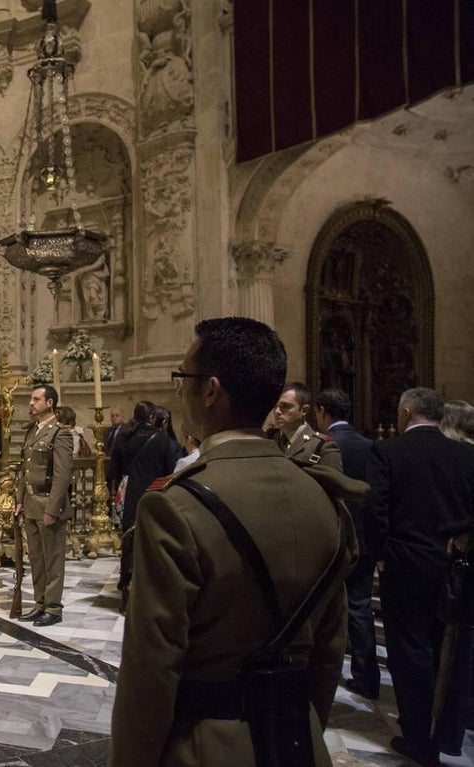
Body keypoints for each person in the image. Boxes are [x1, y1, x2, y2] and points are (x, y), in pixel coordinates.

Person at [110, 317, 358, 767]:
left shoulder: (176, 507)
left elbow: (151, 671)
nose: (178, 392)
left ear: (210, 390)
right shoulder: (324, 497)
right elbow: (329, 651)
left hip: (207, 746)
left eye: (182, 378)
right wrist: (302, 728)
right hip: (297, 740)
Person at [367, 387, 474, 765]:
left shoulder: (388, 452)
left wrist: (378, 557)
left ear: (407, 412)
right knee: (449, 655)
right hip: (455, 569)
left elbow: (376, 512)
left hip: (405, 567)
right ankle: (444, 733)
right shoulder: (466, 454)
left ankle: (417, 736)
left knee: (409, 652)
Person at [313, 388, 379, 700]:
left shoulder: (322, 445)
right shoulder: (370, 445)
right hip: (364, 536)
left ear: (322, 410)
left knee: (327, 607)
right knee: (360, 606)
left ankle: (327, 669)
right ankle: (367, 675)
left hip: (333, 536)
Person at [13, 385, 73, 627]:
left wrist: (52, 508)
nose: (31, 403)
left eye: (36, 399)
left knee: (53, 558)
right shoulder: (33, 431)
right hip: (30, 503)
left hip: (48, 502)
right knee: (37, 558)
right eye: (31, 399)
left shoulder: (60, 433)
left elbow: (62, 475)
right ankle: (40, 603)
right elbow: (24, 470)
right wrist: (18, 500)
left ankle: (54, 607)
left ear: (50, 403)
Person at [110, 400, 179, 599]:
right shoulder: (161, 439)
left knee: (128, 541)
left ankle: (125, 586)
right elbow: (169, 471)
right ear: (151, 417)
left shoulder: (123, 436)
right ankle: (146, 589)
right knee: (150, 541)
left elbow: (114, 468)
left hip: (129, 492)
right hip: (153, 494)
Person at [271, 381, 343, 470]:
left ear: (304, 410)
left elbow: (332, 482)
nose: (277, 411)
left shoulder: (321, 447)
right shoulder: (269, 440)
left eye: (285, 406)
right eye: (275, 406)